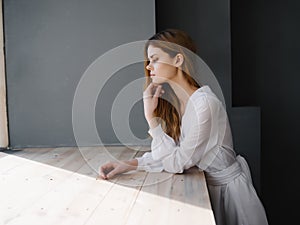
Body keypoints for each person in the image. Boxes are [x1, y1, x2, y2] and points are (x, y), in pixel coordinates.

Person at [99, 29, 269, 225]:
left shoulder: (204, 104)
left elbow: (177, 162)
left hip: (228, 197)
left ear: (178, 60)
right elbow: (171, 154)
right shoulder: (178, 102)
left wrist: (150, 119)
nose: (149, 67)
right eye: (148, 60)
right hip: (204, 189)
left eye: (154, 59)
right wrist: (127, 165)